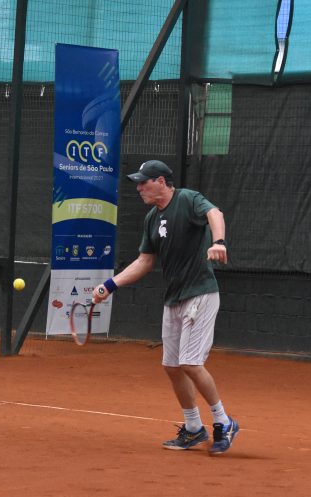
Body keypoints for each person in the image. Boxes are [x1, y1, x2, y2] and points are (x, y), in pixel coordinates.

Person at [92, 160, 238, 455]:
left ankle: (224, 421)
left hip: (200, 293)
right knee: (172, 366)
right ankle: (194, 428)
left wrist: (219, 241)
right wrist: (110, 285)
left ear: (161, 181)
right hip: (174, 298)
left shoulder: (187, 199)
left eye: (143, 182)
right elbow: (145, 261)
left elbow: (215, 213)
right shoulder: (151, 219)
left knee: (190, 363)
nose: (139, 188)